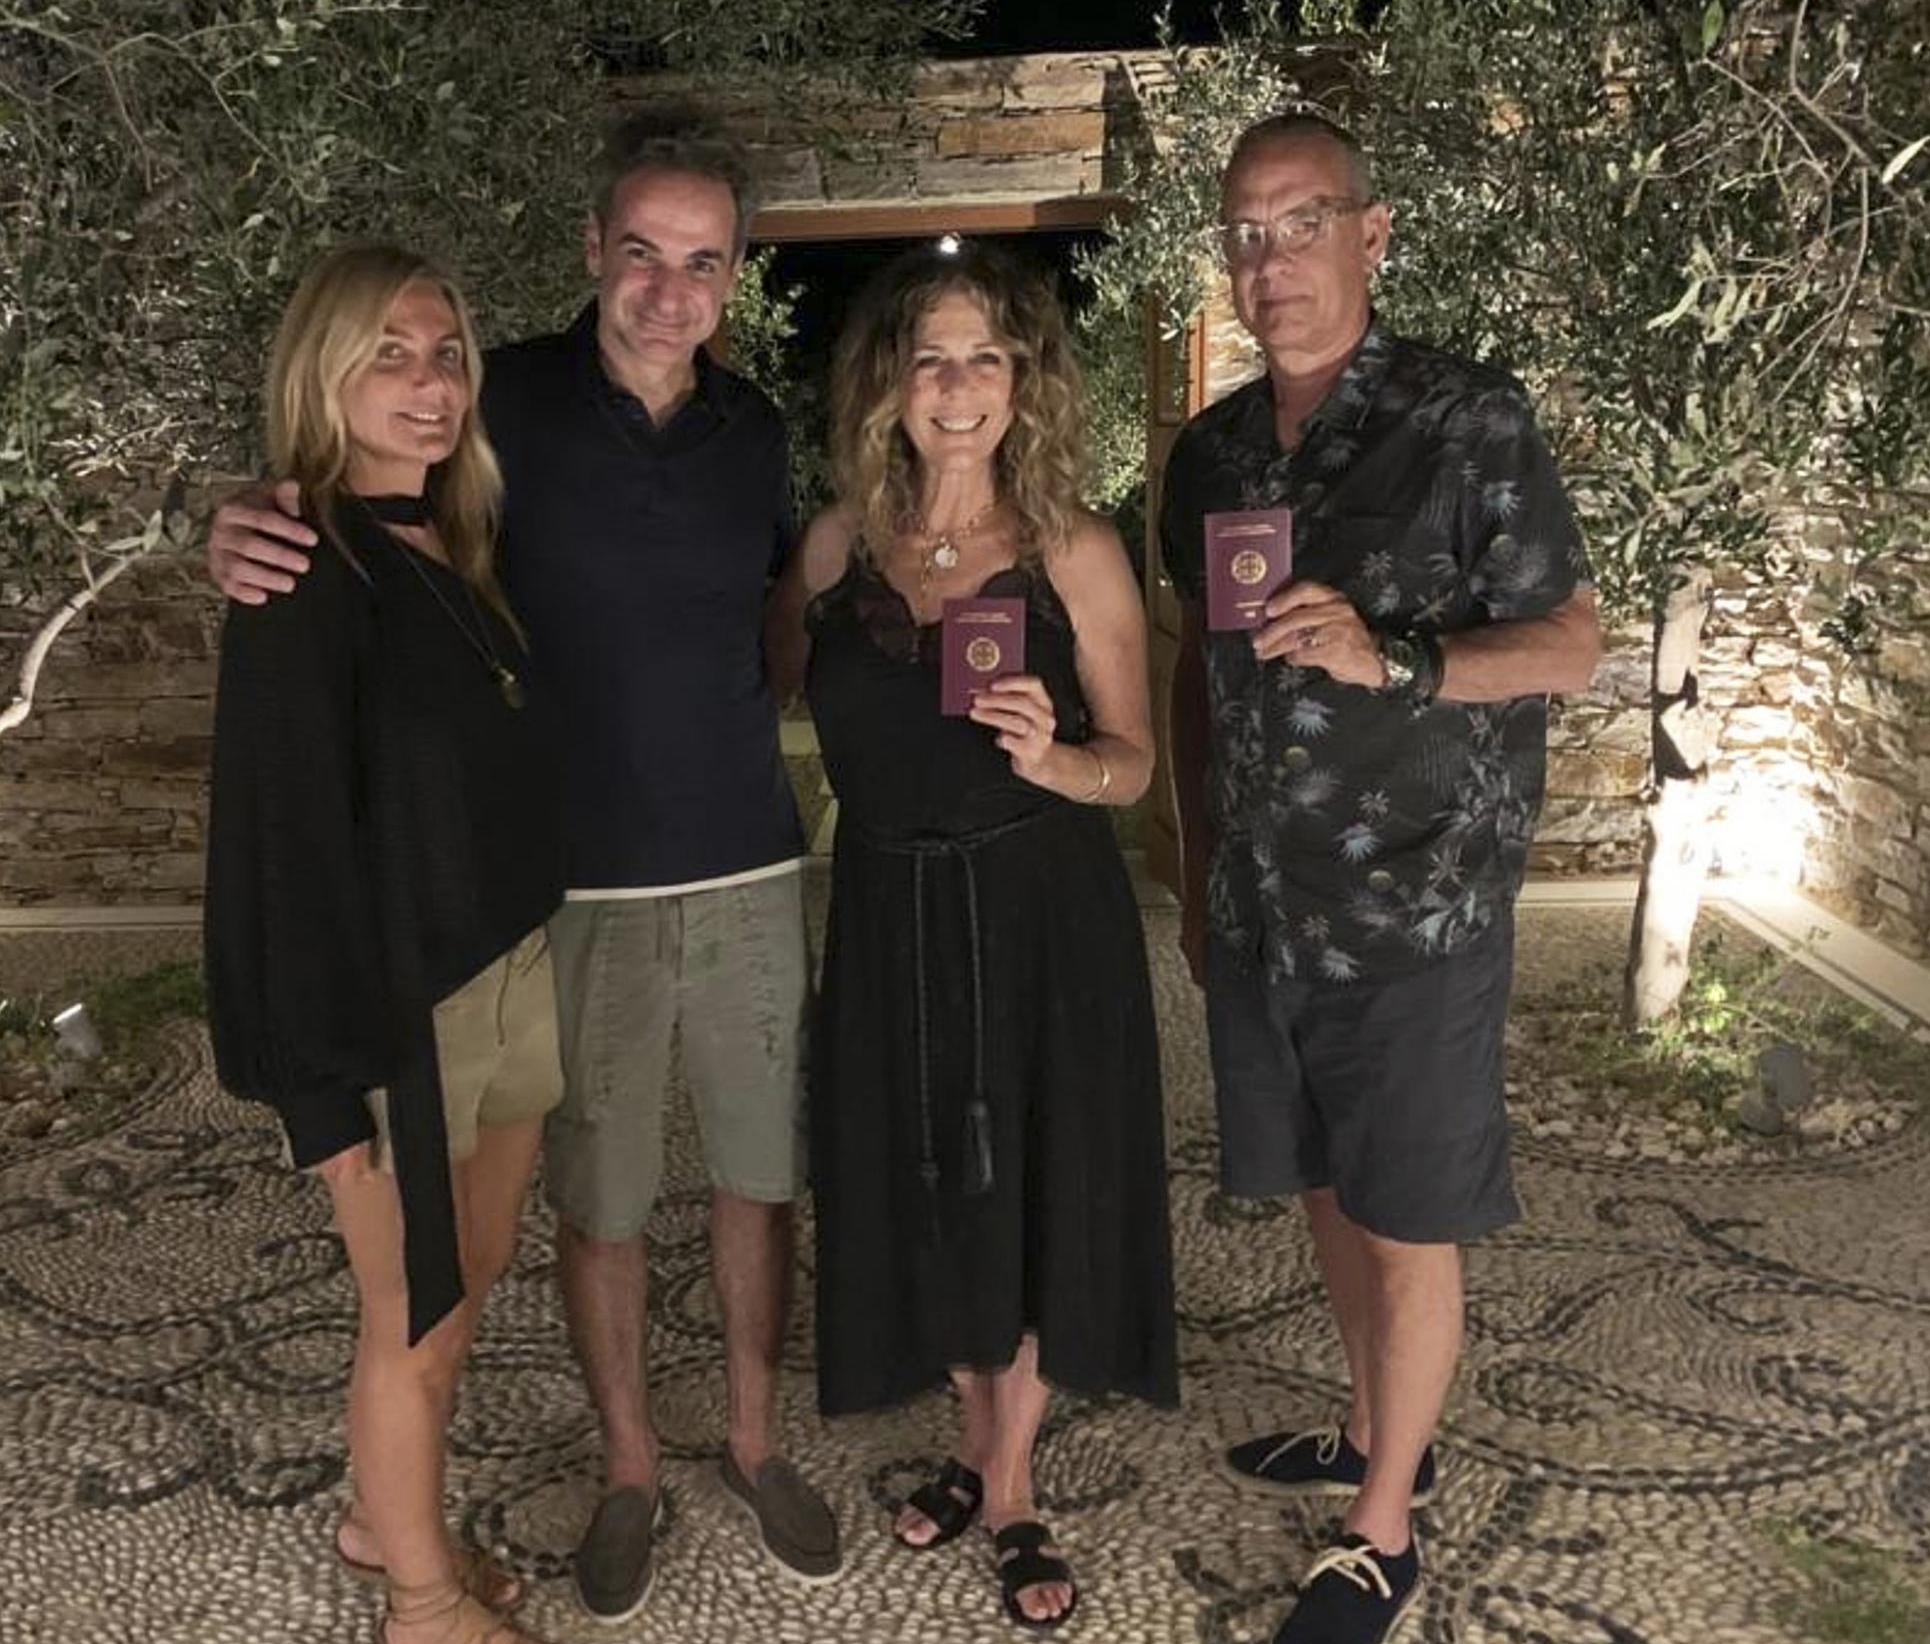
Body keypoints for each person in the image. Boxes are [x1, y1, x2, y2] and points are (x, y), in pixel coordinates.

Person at [204, 106, 837, 1622]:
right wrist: (233, 516)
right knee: (570, 1217)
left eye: (704, 262)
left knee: (736, 1182)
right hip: (550, 910)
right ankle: (608, 1483)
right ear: (592, 256)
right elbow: (312, 644)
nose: (670, 289)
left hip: (703, 879)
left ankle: (738, 1449)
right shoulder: (498, 425)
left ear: (735, 277)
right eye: (642, 252)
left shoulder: (736, 437)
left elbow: (784, 604)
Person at [1160, 113, 1603, 1644]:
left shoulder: (1466, 417)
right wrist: (1194, 850)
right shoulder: (1212, 451)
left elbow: (1570, 645)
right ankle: (1365, 1427)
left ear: (1373, 232)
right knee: (1331, 1192)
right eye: (1246, 230)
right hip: (1265, 906)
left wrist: (1394, 653)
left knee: (1408, 1212)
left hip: (1419, 905)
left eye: (1301, 222)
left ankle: (1383, 1526)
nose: (1269, 259)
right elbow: (1199, 674)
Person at [767, 242, 1179, 1632]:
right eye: (929, 356)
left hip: (1041, 912)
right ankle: (970, 1429)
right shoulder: (833, 548)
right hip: (890, 912)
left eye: (984, 359)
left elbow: (1137, 763)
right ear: (887, 379)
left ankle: (1006, 1485)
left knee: (1038, 1173)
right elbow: (747, 683)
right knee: (928, 1175)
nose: (956, 387)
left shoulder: (1073, 546)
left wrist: (1063, 761)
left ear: (1025, 382)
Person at [205, 242, 560, 1644]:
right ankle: (419, 1599)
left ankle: (380, 1520)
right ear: (323, 374)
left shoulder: (457, 545)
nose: (430, 384)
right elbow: (273, 846)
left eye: (447, 354)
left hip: (506, 971)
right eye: (391, 355)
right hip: (393, 1014)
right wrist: (313, 1080)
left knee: (458, 1296)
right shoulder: (299, 565)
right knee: (408, 1315)